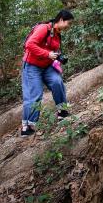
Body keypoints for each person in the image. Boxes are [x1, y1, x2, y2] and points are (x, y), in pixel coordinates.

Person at [20, 9, 74, 137]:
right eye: (68, 23)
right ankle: (27, 126)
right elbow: (29, 44)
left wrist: (58, 57)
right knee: (35, 95)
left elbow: (52, 50)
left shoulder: (57, 33)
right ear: (61, 20)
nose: (69, 26)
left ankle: (62, 111)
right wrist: (47, 54)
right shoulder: (44, 28)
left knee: (57, 82)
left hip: (47, 66)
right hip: (32, 67)